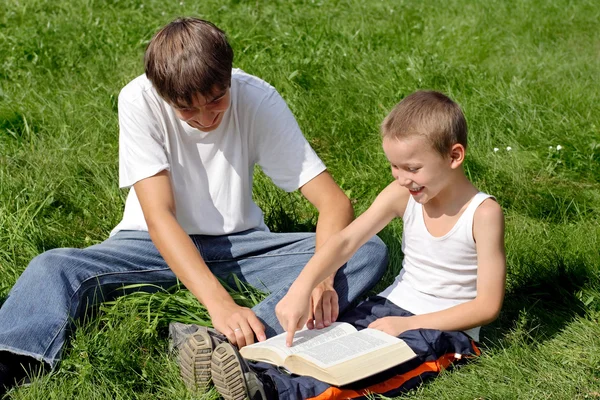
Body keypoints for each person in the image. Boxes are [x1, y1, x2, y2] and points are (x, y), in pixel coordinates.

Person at [0, 17, 388, 395]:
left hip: (241, 245)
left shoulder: (258, 99)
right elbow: (159, 216)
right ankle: (12, 358)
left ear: (230, 75)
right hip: (152, 243)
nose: (205, 118)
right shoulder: (138, 99)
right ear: (161, 93)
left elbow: (333, 202)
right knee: (53, 266)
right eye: (186, 108)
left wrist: (319, 277)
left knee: (366, 249)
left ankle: (222, 345)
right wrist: (220, 303)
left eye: (217, 99)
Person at [201, 90, 506, 399]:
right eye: (394, 167)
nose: (402, 178)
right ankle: (249, 369)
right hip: (388, 306)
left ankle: (273, 390)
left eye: (412, 168)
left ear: (454, 156)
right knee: (326, 341)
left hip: (445, 329)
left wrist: (408, 325)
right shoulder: (402, 194)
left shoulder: (483, 214)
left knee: (372, 369)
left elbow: (487, 307)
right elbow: (346, 241)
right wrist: (302, 288)